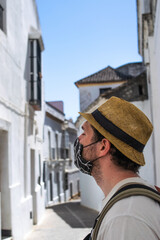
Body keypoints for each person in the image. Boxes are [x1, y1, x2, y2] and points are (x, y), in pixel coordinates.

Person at [74, 96, 160, 240]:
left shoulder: (125, 217)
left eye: (85, 133)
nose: (79, 139)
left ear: (103, 146)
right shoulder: (126, 207)